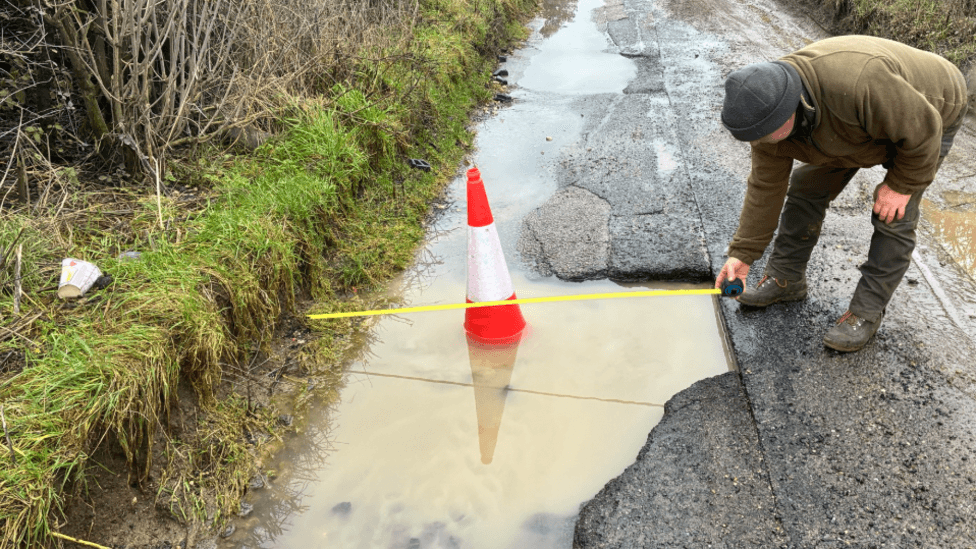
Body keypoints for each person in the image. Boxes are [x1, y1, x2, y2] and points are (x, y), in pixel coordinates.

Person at [715, 35, 970, 352]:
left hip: (931, 111)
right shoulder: (764, 120)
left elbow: (923, 131)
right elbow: (766, 188)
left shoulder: (861, 81)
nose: (762, 142)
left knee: (892, 214)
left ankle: (866, 311)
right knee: (806, 187)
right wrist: (743, 254)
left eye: (765, 135)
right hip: (854, 129)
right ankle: (786, 279)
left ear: (786, 108)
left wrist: (902, 185)